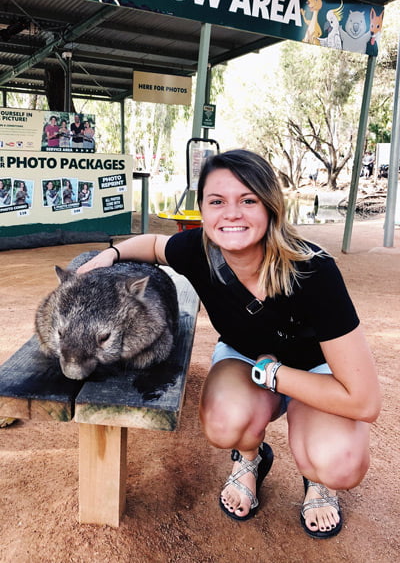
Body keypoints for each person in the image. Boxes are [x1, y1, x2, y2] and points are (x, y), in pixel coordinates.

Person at [77, 149, 381, 539]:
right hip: (245, 358)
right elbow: (154, 245)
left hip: (314, 373)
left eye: (248, 200)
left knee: (338, 463)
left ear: (271, 206)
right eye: (217, 202)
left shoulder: (314, 272)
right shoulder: (199, 250)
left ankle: (316, 479)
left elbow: (365, 401)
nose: (231, 214)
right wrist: (110, 254)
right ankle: (250, 459)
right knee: (224, 425)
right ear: (202, 209)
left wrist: (272, 374)